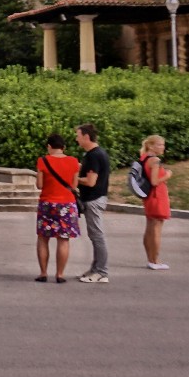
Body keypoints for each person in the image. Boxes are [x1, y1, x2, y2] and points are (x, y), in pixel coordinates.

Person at [34, 132, 82, 282]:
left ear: (49, 146)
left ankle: (43, 273)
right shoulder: (74, 162)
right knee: (63, 239)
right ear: (64, 147)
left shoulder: (42, 161)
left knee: (43, 238)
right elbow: (74, 185)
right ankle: (60, 274)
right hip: (67, 204)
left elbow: (39, 185)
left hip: (47, 203)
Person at [74, 122, 112, 284]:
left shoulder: (94, 155)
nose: (76, 139)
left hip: (94, 199)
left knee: (97, 236)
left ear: (86, 136)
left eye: (78, 136)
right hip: (96, 198)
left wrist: (74, 180)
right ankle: (95, 269)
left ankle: (101, 272)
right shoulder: (95, 154)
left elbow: (90, 182)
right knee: (95, 235)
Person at [138, 133, 172, 269]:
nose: (162, 147)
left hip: (149, 197)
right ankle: (155, 260)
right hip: (157, 195)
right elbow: (154, 181)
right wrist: (168, 175)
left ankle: (150, 259)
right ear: (151, 146)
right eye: (159, 144)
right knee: (157, 228)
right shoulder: (155, 160)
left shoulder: (144, 158)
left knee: (149, 227)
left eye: (163, 145)